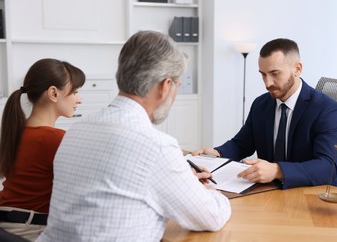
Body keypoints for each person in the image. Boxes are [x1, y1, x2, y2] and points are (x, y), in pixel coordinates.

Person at [37, 30, 231, 241]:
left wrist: (181, 180)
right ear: (165, 86)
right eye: (177, 85)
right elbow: (210, 217)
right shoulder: (156, 147)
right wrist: (212, 193)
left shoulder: (76, 131)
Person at [194, 38, 337, 189]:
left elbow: (328, 168)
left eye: (275, 74)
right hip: (271, 192)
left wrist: (277, 170)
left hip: (316, 195)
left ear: (297, 69)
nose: (268, 83)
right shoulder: (261, 104)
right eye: (263, 75)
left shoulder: (327, 110)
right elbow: (241, 144)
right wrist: (217, 154)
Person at [0, 58, 86, 241]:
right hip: (28, 230)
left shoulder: (18, 130)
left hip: (7, 224)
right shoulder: (53, 139)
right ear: (53, 93)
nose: (79, 99)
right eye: (75, 92)